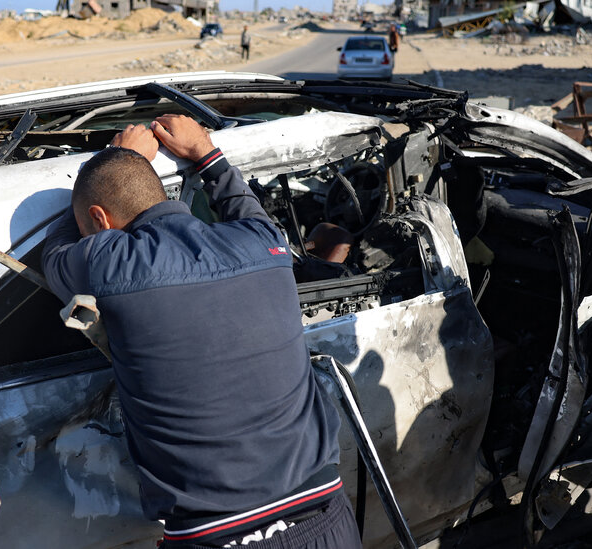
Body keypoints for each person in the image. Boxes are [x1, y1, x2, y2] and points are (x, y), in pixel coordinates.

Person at [41, 115, 360, 549]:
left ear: (99, 221)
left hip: (218, 538)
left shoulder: (108, 264)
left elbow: (55, 251)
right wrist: (206, 154)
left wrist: (120, 161)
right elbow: (240, 201)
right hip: (327, 519)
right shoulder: (263, 240)